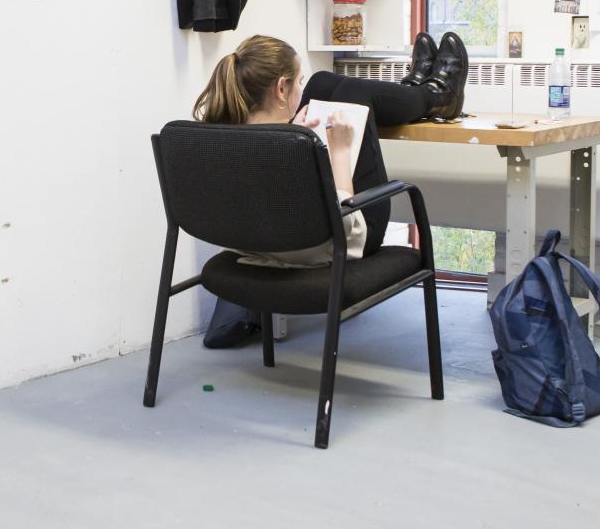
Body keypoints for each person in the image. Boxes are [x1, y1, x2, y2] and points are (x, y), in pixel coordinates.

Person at [189, 31, 467, 345]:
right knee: (350, 90)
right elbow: (349, 229)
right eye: (297, 83)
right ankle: (436, 94)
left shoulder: (216, 140)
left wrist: (296, 136)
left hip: (258, 245)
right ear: (282, 88)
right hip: (334, 247)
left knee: (321, 82)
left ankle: (419, 89)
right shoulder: (290, 147)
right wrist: (340, 150)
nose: (300, 90)